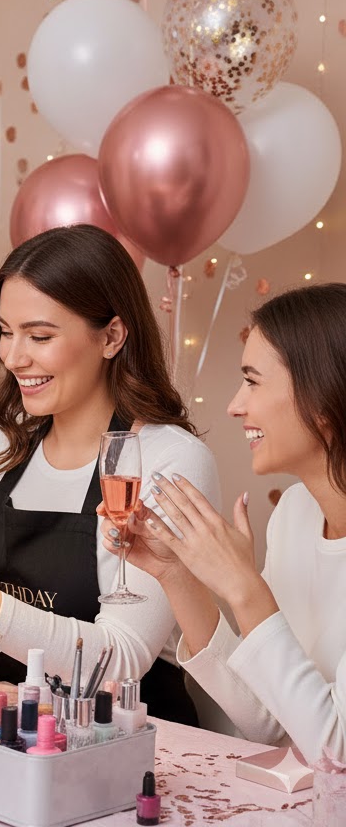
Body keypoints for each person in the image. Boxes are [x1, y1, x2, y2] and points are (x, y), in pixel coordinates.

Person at [0, 224, 219, 724]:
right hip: (6, 722)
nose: (13, 357)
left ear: (112, 336)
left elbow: (120, 661)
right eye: (6, 332)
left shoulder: (167, 458)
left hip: (128, 736)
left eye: (40, 336)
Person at [100, 283, 346, 762]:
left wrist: (245, 588)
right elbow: (270, 723)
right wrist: (175, 575)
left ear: (322, 397)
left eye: (253, 381)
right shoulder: (294, 514)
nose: (235, 405)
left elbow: (336, 752)